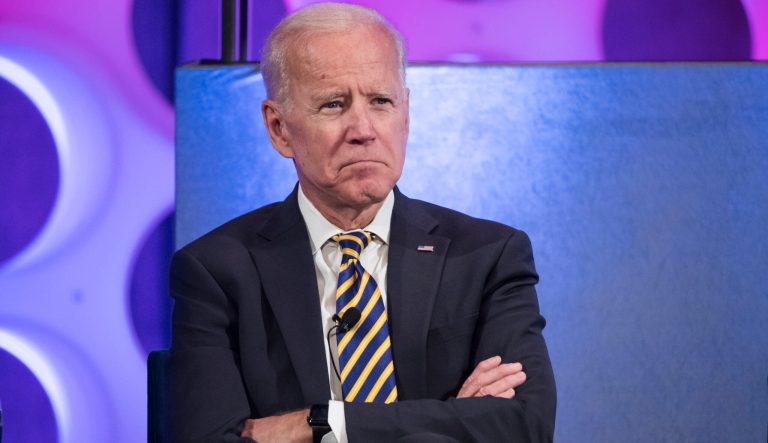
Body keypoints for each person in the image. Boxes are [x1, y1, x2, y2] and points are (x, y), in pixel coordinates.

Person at [168, 3, 556, 442]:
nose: (363, 129)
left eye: (381, 101)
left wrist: (323, 424)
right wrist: (451, 419)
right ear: (278, 128)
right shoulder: (217, 272)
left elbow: (523, 425)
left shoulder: (488, 256)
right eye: (334, 104)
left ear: (405, 114)